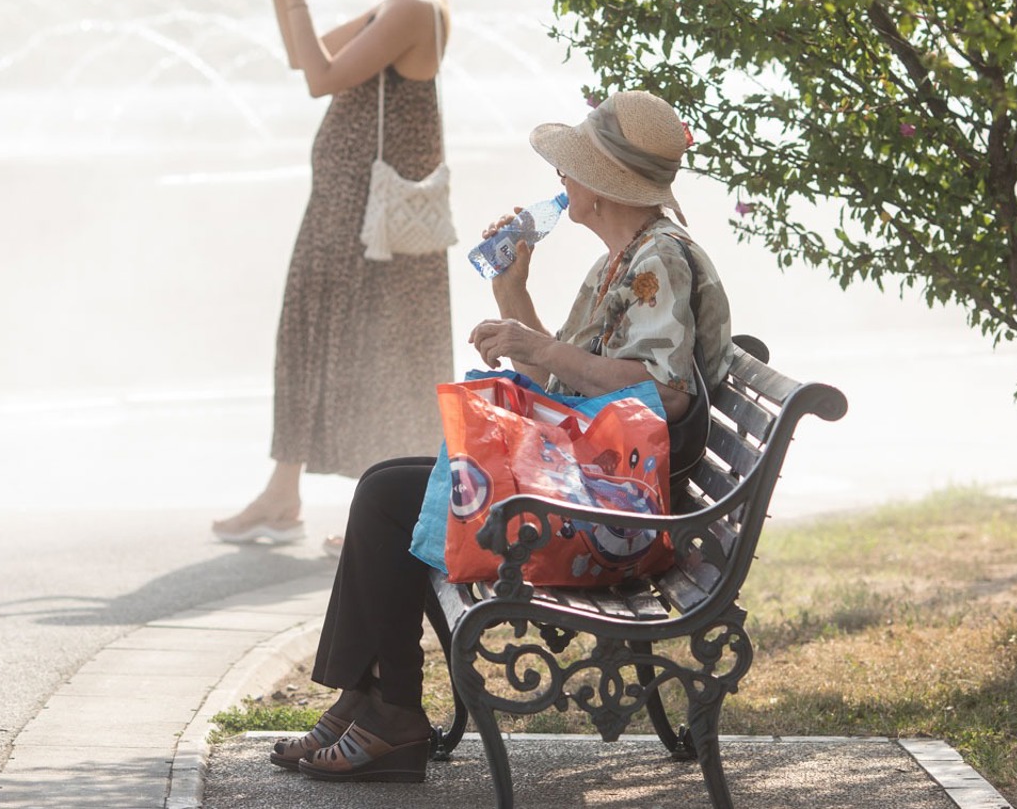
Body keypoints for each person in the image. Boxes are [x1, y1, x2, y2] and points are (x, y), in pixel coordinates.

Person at [266, 90, 734, 782]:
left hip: (612, 512)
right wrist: (513, 293)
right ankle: (368, 698)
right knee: (386, 484)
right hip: (600, 483)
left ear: (604, 184)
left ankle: (388, 708)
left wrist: (533, 347)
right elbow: (579, 382)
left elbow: (662, 391)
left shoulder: (655, 259)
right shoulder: (628, 257)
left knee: (388, 496)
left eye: (571, 168)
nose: (561, 181)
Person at [211, 0, 455, 549]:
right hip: (344, 209)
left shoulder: (415, 10)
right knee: (313, 333)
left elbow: (320, 80)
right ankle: (283, 490)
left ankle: (391, 514)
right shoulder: (389, 8)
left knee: (381, 353)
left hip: (372, 221)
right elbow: (306, 56)